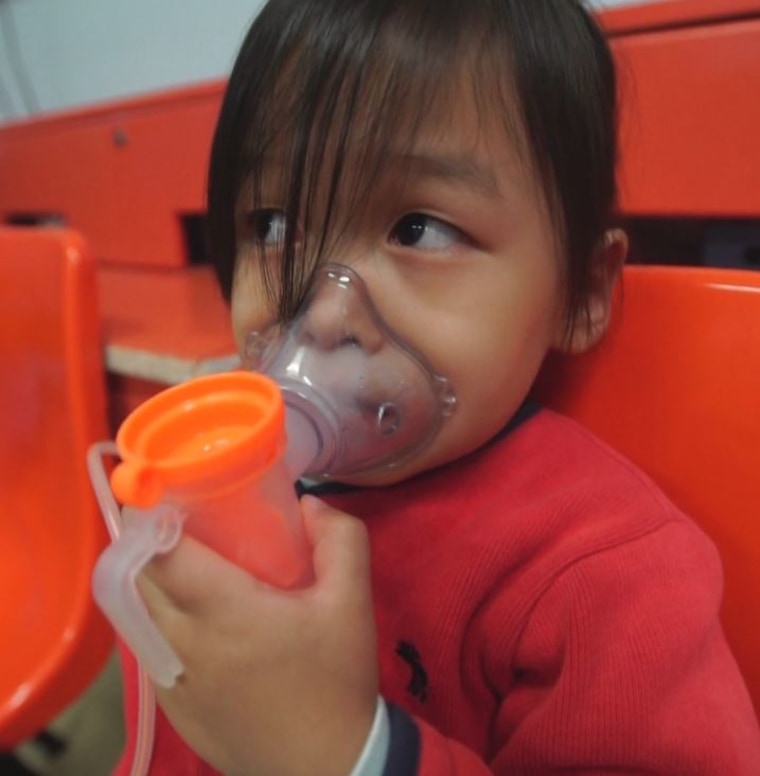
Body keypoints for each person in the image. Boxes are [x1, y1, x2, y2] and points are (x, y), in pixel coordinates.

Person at [120, 0, 760, 773]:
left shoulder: (602, 578)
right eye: (276, 224)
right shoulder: (216, 486)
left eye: (419, 228)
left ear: (582, 291)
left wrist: (343, 753)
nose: (324, 317)